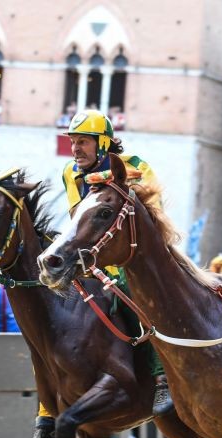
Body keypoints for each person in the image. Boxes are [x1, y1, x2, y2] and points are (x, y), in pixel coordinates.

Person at [60, 109, 172, 411]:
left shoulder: (136, 167)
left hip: (136, 258)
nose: (75, 149)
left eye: (83, 141)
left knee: (134, 296)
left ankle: (163, 379)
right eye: (73, 142)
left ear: (104, 143)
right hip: (94, 260)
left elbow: (152, 219)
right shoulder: (70, 173)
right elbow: (77, 222)